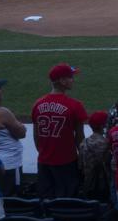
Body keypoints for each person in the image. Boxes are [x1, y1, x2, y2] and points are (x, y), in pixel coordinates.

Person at [32, 63, 87, 198]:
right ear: (62, 81)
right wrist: (82, 160)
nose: (72, 80)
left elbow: (36, 136)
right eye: (70, 77)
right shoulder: (75, 105)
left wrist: (44, 152)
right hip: (67, 162)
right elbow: (79, 137)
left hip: (44, 161)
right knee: (67, 201)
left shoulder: (38, 104)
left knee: (47, 201)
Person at [78, 111, 112, 202]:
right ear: (102, 126)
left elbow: (80, 166)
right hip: (104, 186)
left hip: (88, 185)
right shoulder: (106, 143)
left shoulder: (83, 143)